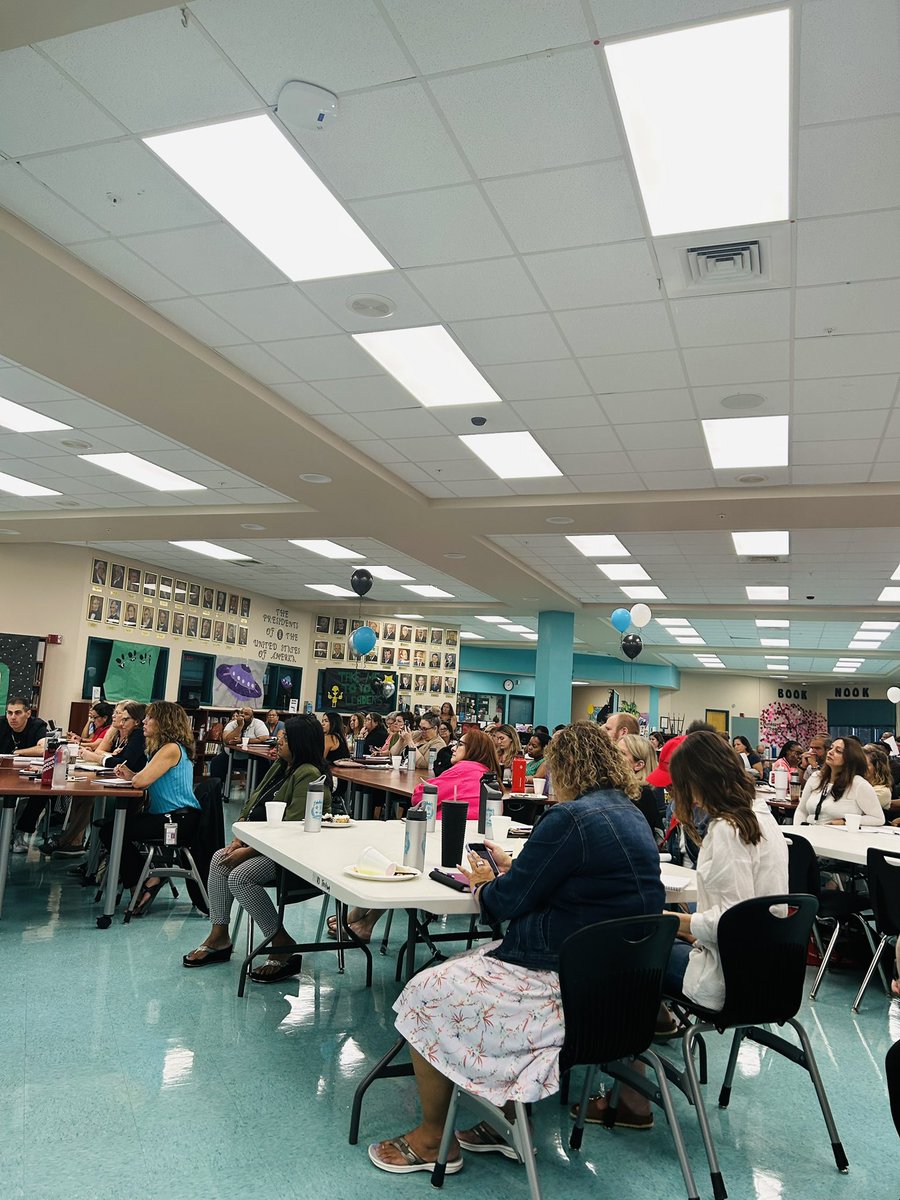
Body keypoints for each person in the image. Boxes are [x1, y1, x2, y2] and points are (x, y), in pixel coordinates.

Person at [368, 722, 665, 1173]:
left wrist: (488, 882)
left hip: (559, 983)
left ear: (565, 767)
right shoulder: (630, 814)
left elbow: (505, 902)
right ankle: (502, 1119)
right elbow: (582, 882)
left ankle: (433, 1141)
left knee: (424, 990)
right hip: (619, 989)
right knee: (469, 966)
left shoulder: (568, 818)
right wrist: (523, 866)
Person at [573, 731, 789, 1130]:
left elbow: (730, 921)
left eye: (677, 785)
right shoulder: (763, 819)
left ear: (697, 780)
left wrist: (680, 922)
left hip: (728, 977)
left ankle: (632, 1099)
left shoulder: (726, 831)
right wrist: (692, 928)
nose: (674, 795)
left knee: (628, 956)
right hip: (769, 974)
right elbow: (756, 913)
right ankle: (656, 1019)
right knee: (656, 947)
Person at [183, 716, 331, 982]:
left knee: (241, 876)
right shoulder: (282, 766)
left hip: (292, 853)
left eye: (285, 738)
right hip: (266, 845)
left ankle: (280, 941)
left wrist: (248, 851)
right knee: (220, 859)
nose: (279, 740)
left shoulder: (307, 772)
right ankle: (219, 936)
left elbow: (293, 827)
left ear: (300, 743)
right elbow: (253, 802)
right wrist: (240, 837)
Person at [99, 701, 200, 915]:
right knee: (114, 829)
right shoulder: (164, 748)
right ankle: (147, 877)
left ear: (164, 722)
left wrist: (135, 777)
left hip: (177, 822)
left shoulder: (170, 749)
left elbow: (141, 782)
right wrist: (132, 775)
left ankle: (144, 881)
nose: (144, 721)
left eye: (150, 717)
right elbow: (142, 778)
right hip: (172, 818)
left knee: (111, 831)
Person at [409, 728, 501, 819]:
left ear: (474, 749)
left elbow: (420, 796)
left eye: (460, 745)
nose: (453, 748)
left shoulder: (462, 771)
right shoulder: (488, 776)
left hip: (446, 828)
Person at [793, 737, 884, 826]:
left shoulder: (859, 784)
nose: (830, 752)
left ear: (850, 758)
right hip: (809, 832)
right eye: (831, 748)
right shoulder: (816, 777)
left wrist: (846, 821)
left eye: (838, 751)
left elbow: (878, 818)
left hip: (837, 836)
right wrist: (798, 831)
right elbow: (801, 811)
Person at [618, 733, 665, 834]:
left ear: (638, 765)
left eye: (621, 753)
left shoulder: (641, 794)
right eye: (614, 751)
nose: (613, 756)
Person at [863, 743, 894, 811]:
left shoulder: (882, 791)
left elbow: (855, 809)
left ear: (877, 768)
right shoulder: (858, 783)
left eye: (865, 764)